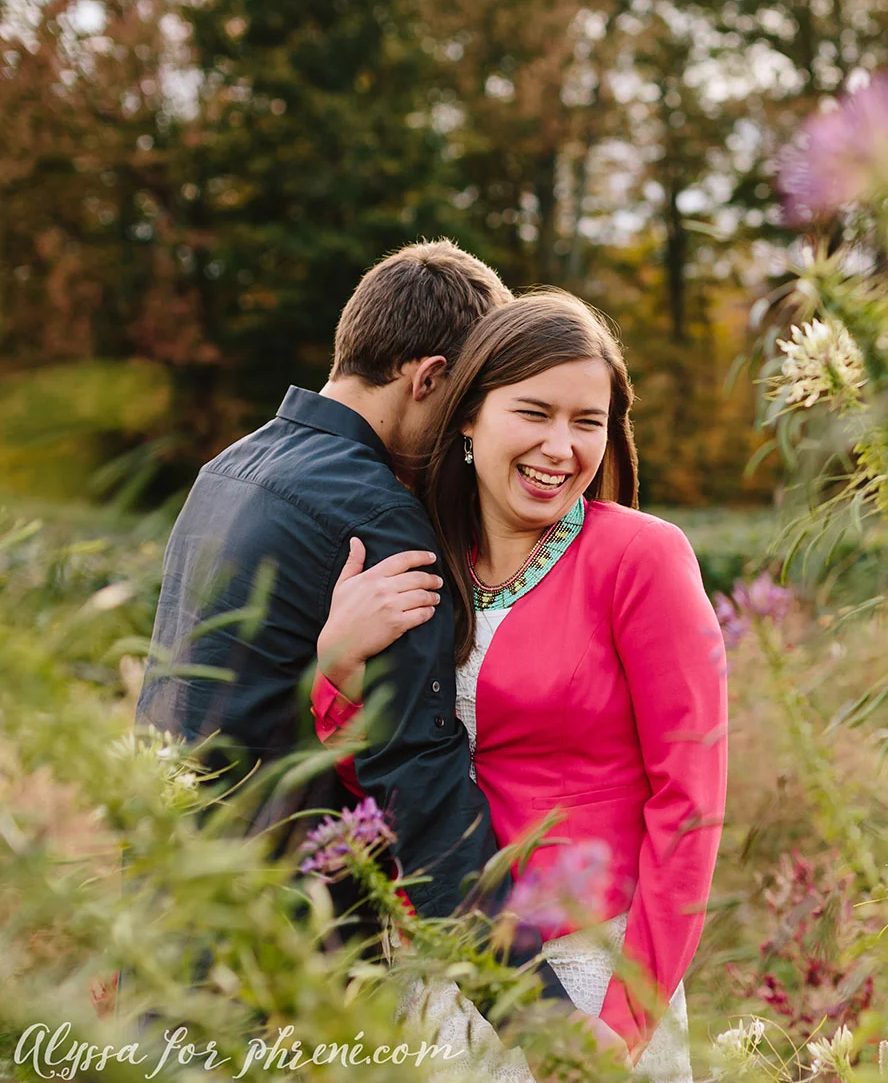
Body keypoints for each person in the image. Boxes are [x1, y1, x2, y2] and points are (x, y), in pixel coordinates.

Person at [312, 290, 728, 1079]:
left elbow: (691, 804)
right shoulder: (423, 558)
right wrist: (337, 664)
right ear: (467, 415)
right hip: (439, 966)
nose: (561, 447)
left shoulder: (641, 559)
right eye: (533, 412)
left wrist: (625, 1020)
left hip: (585, 971)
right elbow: (380, 779)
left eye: (587, 421)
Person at [138, 238, 536, 926]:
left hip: (171, 895)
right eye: (468, 402)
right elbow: (420, 781)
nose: (469, 433)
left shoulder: (227, 470)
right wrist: (536, 1010)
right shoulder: (377, 513)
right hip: (279, 935)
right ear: (429, 378)